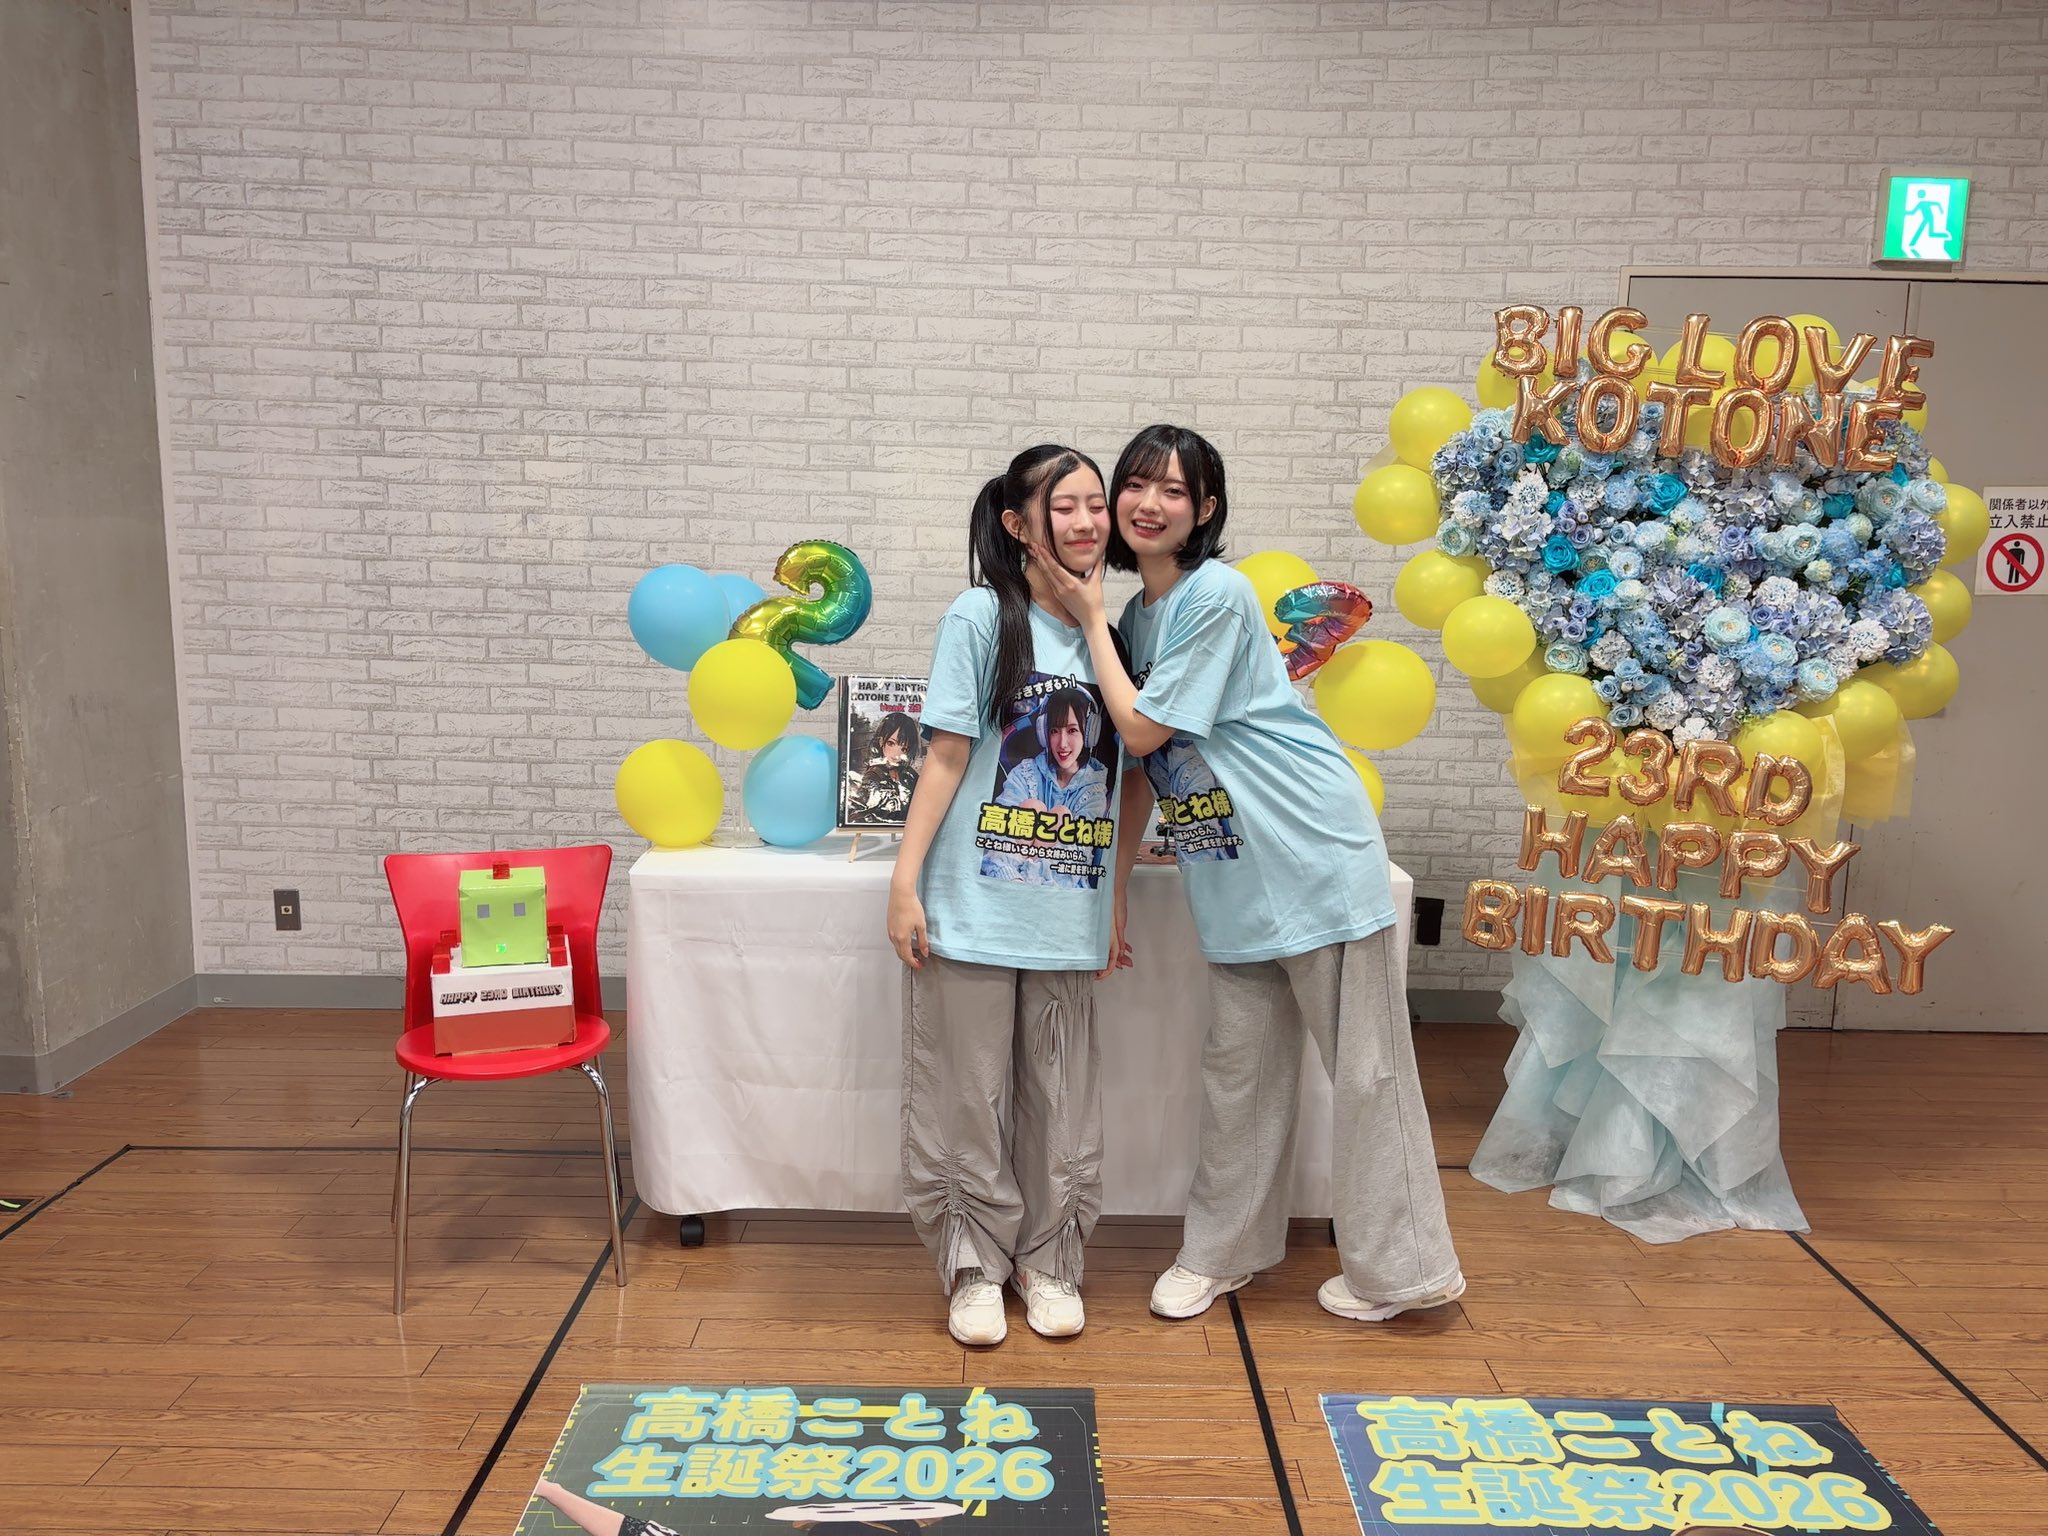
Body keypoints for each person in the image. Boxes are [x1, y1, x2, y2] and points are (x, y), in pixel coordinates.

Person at [1028, 423, 1464, 1325]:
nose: (1149, 504)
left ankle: (1407, 1271)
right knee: (1241, 1075)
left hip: (1309, 850)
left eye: (1174, 490)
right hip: (1231, 873)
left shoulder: (1216, 595)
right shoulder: (1142, 618)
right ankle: (1222, 1253)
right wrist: (1114, 889)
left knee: (1367, 1072)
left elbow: (1142, 725)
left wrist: (1088, 619)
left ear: (1207, 510)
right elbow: (1141, 765)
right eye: (1136, 485)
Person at [886, 444, 1126, 1346]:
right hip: (974, 907)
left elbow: (1133, 767)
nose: (1087, 521)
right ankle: (973, 1266)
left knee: (1062, 1101)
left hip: (1068, 911)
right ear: (1019, 523)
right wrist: (905, 882)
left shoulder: (1111, 631)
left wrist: (1116, 902)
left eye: (1096, 503)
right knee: (966, 1094)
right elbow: (947, 755)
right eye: (1064, 505)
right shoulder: (981, 615)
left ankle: (1050, 1261)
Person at [983, 686, 1111, 887]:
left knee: (1061, 815)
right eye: (1054, 731)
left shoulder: (1093, 791)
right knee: (1032, 808)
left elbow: (1075, 863)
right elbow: (996, 842)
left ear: (1089, 733)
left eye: (1072, 730)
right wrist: (1015, 882)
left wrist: (1031, 871)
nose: (1062, 743)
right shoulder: (1024, 774)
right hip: (1011, 885)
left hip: (1061, 891)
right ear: (1044, 733)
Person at [846, 709, 922, 823]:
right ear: (881, 742)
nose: (896, 753)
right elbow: (859, 814)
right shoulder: (874, 776)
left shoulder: (910, 775)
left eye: (904, 748)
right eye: (891, 743)